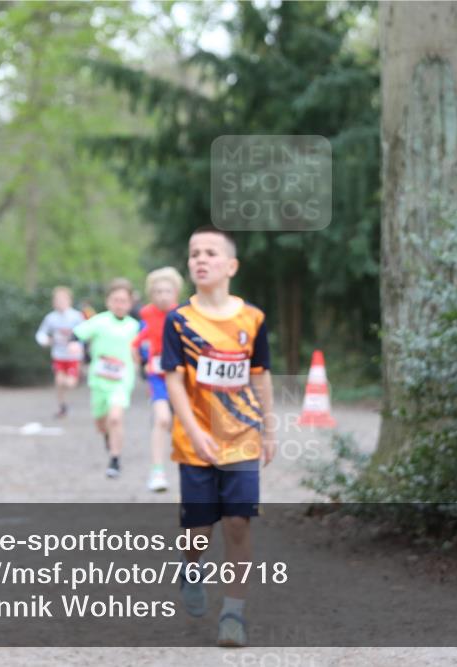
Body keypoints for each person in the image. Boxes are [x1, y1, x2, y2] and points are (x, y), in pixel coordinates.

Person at [161, 226, 275, 647]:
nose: (200, 260)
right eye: (194, 254)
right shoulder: (180, 321)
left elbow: (260, 376)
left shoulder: (253, 318)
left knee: (239, 522)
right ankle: (191, 568)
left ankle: (233, 613)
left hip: (242, 437)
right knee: (198, 530)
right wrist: (194, 430)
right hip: (195, 442)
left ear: (231, 266)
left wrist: (269, 429)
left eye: (210, 253)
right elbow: (173, 381)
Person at [72, 278, 140, 479]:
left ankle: (115, 459)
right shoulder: (99, 321)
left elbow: (144, 349)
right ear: (108, 301)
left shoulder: (135, 327)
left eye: (123, 301)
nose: (119, 304)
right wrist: (74, 344)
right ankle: (108, 437)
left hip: (122, 379)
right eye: (115, 300)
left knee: (116, 417)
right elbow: (77, 334)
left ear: (130, 303)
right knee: (101, 423)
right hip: (99, 380)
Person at [131, 267, 184, 493]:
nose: (163, 295)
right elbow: (137, 341)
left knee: (183, 424)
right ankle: (157, 471)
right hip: (157, 376)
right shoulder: (147, 316)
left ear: (176, 293)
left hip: (182, 377)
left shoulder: (184, 315)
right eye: (158, 291)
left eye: (167, 291)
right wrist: (139, 361)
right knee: (162, 419)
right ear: (151, 295)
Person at [35, 286, 85, 418]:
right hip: (59, 355)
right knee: (59, 381)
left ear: (69, 301)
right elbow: (41, 333)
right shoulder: (51, 318)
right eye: (57, 300)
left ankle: (75, 379)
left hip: (73, 356)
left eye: (63, 299)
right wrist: (45, 340)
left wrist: (78, 344)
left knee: (70, 383)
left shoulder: (76, 316)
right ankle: (62, 405)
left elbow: (85, 332)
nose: (60, 302)